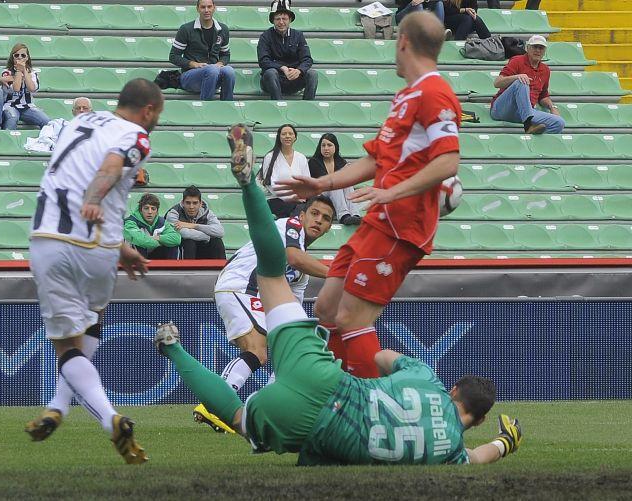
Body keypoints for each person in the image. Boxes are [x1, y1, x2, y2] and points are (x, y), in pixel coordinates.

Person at [152, 122, 524, 466]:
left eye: (326, 219)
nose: (318, 221)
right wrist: (507, 442)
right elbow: (479, 457)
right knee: (242, 407)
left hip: (326, 379)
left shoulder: (425, 377)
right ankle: (173, 349)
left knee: (272, 281)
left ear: (453, 387)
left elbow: (377, 354)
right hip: (314, 417)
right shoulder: (450, 451)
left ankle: (249, 184)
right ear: (478, 421)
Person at [274, 12, 461, 379]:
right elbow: (376, 158)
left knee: (350, 317)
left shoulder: (435, 92)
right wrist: (322, 184)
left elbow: (448, 162)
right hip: (378, 221)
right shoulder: (406, 95)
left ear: (403, 41)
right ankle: (333, 395)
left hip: (401, 227)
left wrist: (393, 191)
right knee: (327, 308)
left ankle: (368, 410)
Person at [23, 78, 163, 464]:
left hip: (49, 238)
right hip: (95, 241)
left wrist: (123, 247)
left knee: (67, 345)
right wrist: (94, 199)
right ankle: (61, 406)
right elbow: (110, 166)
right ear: (148, 111)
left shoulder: (79, 123)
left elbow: (75, 174)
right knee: (94, 319)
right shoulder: (136, 134)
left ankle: (105, 417)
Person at [194, 195, 333, 433]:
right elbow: (294, 258)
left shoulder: (301, 273)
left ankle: (264, 410)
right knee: (257, 351)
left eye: (326, 218)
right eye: (314, 213)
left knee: (283, 353)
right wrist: (340, 275)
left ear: (330, 227)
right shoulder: (292, 226)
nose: (319, 220)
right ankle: (214, 406)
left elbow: (291, 310)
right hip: (239, 287)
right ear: (301, 215)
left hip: (251, 295)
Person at [489, 35, 564, 135]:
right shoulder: (517, 61)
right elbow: (497, 83)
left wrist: (552, 107)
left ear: (544, 51)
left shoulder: (545, 70)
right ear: (527, 48)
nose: (537, 50)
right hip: (503, 109)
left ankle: (531, 144)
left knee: (559, 122)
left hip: (524, 112)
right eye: (534, 47)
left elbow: (543, 96)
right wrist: (516, 77)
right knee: (522, 81)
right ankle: (528, 125)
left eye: (541, 48)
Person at [169, 0, 235, 101]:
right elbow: (173, 56)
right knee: (212, 70)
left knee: (229, 71)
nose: (206, 10)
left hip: (213, 74)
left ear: (214, 8)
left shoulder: (223, 29)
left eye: (209, 7)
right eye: (203, 7)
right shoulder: (186, 29)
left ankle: (227, 105)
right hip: (190, 76)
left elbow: (226, 54)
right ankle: (205, 107)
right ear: (197, 9)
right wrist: (194, 64)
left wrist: (221, 63)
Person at [257, 0, 318, 101]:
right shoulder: (265, 36)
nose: (281, 22)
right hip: (274, 79)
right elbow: (263, 61)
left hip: (294, 78)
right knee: (271, 72)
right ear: (273, 20)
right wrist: (282, 68)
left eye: (284, 18)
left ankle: (308, 106)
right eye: (277, 19)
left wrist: (299, 70)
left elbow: (307, 59)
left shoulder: (298, 35)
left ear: (290, 20)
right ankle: (279, 105)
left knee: (312, 74)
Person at [308, 133, 365, 226]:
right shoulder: (314, 162)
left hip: (337, 195)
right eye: (323, 145)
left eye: (329, 145)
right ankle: (343, 216)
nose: (326, 148)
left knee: (347, 183)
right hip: (320, 194)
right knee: (335, 184)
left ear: (335, 147)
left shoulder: (341, 162)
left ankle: (355, 214)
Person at [258, 124, 310, 218]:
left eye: (290, 134)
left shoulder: (301, 157)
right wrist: (291, 198)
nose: (287, 136)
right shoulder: (270, 157)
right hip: (277, 200)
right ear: (279, 137)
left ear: (295, 137)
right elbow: (270, 184)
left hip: (299, 201)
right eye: (284, 134)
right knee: (299, 210)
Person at [165, 185, 226, 259]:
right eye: (188, 203)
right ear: (182, 203)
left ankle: (221, 269)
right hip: (183, 248)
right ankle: (187, 270)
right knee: (189, 242)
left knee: (217, 241)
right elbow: (184, 234)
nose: (191, 207)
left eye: (195, 203)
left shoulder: (207, 213)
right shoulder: (173, 213)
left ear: (200, 203)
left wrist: (194, 226)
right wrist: (208, 237)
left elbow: (220, 232)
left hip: (203, 248)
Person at [1, 43, 50, 130]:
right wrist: (19, 71)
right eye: (17, 55)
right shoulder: (6, 72)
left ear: (27, 58)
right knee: (12, 118)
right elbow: (15, 88)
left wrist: (24, 71)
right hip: (10, 105)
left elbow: (32, 88)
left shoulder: (32, 73)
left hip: (27, 106)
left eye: (23, 55)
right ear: (13, 57)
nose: (20, 57)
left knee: (46, 121)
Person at [123, 193, 182, 259]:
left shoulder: (162, 222)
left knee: (173, 246)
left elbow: (177, 239)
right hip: (132, 258)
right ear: (140, 210)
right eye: (146, 208)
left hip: (153, 254)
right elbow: (142, 241)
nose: (150, 212)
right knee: (137, 244)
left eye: (153, 209)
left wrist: (159, 238)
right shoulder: (130, 222)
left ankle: (173, 268)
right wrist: (161, 242)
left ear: (157, 211)